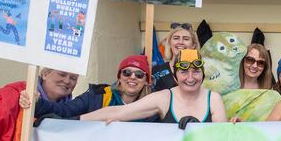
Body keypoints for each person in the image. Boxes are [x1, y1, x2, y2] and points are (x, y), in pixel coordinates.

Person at [81, 49, 226, 125]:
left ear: (203, 75)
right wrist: (76, 120)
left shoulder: (213, 99)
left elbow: (222, 138)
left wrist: (199, 131)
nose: (190, 78)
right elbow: (119, 111)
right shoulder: (164, 98)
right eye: (183, 72)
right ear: (175, 77)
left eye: (196, 72)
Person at [26, 55, 154, 120]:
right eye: (126, 72)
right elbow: (63, 111)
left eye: (139, 74)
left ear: (146, 81)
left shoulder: (152, 105)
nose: (132, 77)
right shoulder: (96, 96)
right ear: (119, 77)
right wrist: (38, 103)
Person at [153, 23, 200, 91]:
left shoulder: (202, 71)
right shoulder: (156, 71)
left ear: (193, 45)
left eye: (186, 39)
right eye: (176, 38)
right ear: (169, 43)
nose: (180, 42)